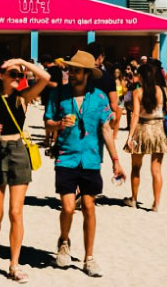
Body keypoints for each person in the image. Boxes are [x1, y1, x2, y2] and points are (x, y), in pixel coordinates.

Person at [44, 51, 126, 278]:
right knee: (69, 207)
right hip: (66, 157)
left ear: (87, 74)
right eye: (70, 69)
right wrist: (59, 123)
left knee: (89, 207)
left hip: (91, 160)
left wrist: (116, 161)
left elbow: (106, 130)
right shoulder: (58, 94)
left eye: (76, 70)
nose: (71, 73)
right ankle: (64, 241)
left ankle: (89, 257)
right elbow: (48, 124)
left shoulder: (99, 98)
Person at [0, 58, 49, 283]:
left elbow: (45, 78)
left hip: (18, 151)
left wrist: (22, 62)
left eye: (19, 75)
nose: (17, 78)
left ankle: (14, 264)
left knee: (16, 212)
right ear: (2, 75)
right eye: (13, 74)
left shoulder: (23, 98)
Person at [123, 64, 167, 210]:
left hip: (142, 130)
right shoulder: (162, 91)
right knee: (156, 169)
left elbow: (136, 115)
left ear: (142, 77)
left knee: (136, 167)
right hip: (158, 130)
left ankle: (134, 199)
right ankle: (156, 203)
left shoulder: (137, 92)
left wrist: (130, 136)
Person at [84, 43, 120, 142]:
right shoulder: (108, 78)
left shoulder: (80, 75)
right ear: (100, 57)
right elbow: (113, 106)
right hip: (99, 122)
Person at [113, 68, 126, 140]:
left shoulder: (122, 81)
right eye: (115, 72)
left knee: (118, 120)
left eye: (118, 72)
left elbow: (125, 92)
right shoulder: (112, 81)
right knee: (113, 119)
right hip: (113, 100)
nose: (116, 73)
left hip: (120, 101)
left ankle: (114, 135)